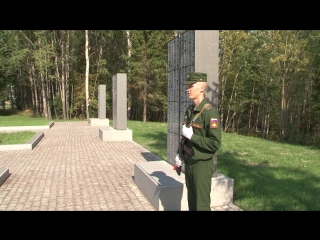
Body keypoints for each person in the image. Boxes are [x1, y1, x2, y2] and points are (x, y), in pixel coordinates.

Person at [175, 72, 221, 211]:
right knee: (192, 203)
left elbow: (215, 143)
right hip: (190, 162)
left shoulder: (209, 113)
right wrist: (180, 154)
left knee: (201, 205)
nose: (188, 89)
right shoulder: (190, 110)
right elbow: (185, 138)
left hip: (202, 165)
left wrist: (193, 137)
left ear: (202, 88)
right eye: (187, 86)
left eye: (191, 85)